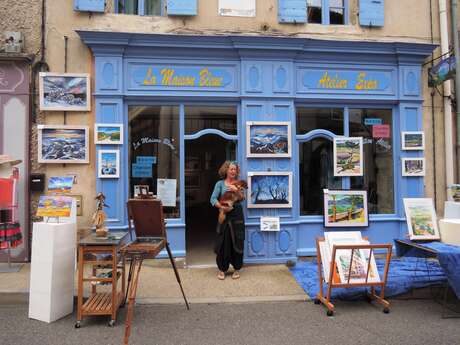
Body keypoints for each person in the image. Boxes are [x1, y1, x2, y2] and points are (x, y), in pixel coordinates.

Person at [210, 161, 245, 280]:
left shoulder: (239, 184)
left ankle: (236, 269)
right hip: (224, 215)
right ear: (226, 170)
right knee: (223, 242)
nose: (233, 171)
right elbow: (213, 199)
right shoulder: (220, 184)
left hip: (237, 216)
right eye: (231, 169)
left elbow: (242, 198)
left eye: (235, 169)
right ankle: (222, 269)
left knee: (237, 241)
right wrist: (222, 207)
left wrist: (236, 191)